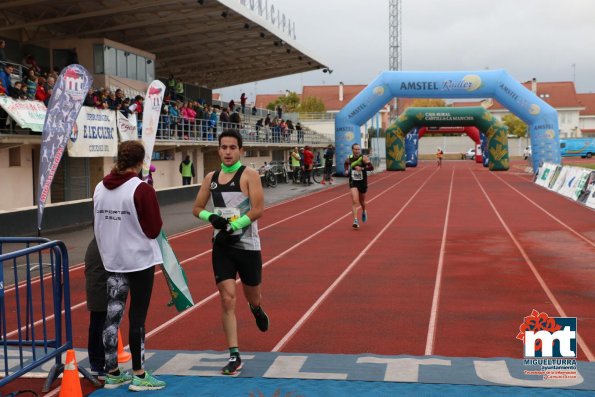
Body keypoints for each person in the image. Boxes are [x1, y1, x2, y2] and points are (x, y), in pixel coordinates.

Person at [192, 129, 269, 376]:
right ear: (218, 150)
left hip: (247, 246)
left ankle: (256, 309)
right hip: (222, 247)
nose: (227, 151)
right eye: (223, 147)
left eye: (232, 147)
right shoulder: (211, 178)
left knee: (252, 296)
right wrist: (211, 216)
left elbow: (257, 210)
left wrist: (232, 225)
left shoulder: (249, 175)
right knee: (227, 299)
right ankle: (234, 354)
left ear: (240, 151)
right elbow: (197, 207)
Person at [93, 140, 166, 391]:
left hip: (113, 260)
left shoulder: (99, 188)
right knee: (137, 318)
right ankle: (139, 374)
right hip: (139, 261)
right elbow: (154, 229)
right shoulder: (142, 190)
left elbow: (98, 225)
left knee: (112, 316)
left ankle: (112, 371)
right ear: (140, 162)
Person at [84, 237, 108, 379]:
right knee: (100, 323)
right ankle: (99, 365)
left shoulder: (100, 242)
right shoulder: (100, 244)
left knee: (99, 322)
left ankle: (99, 363)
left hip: (100, 283)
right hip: (99, 284)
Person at [344, 143, 374, 229]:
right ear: (352, 150)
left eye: (358, 149)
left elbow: (371, 167)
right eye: (355, 149)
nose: (357, 151)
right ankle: (355, 220)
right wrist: (346, 170)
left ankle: (364, 210)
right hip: (353, 181)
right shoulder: (349, 158)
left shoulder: (364, 158)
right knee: (354, 200)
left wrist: (362, 168)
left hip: (362, 182)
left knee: (362, 202)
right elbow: (346, 164)